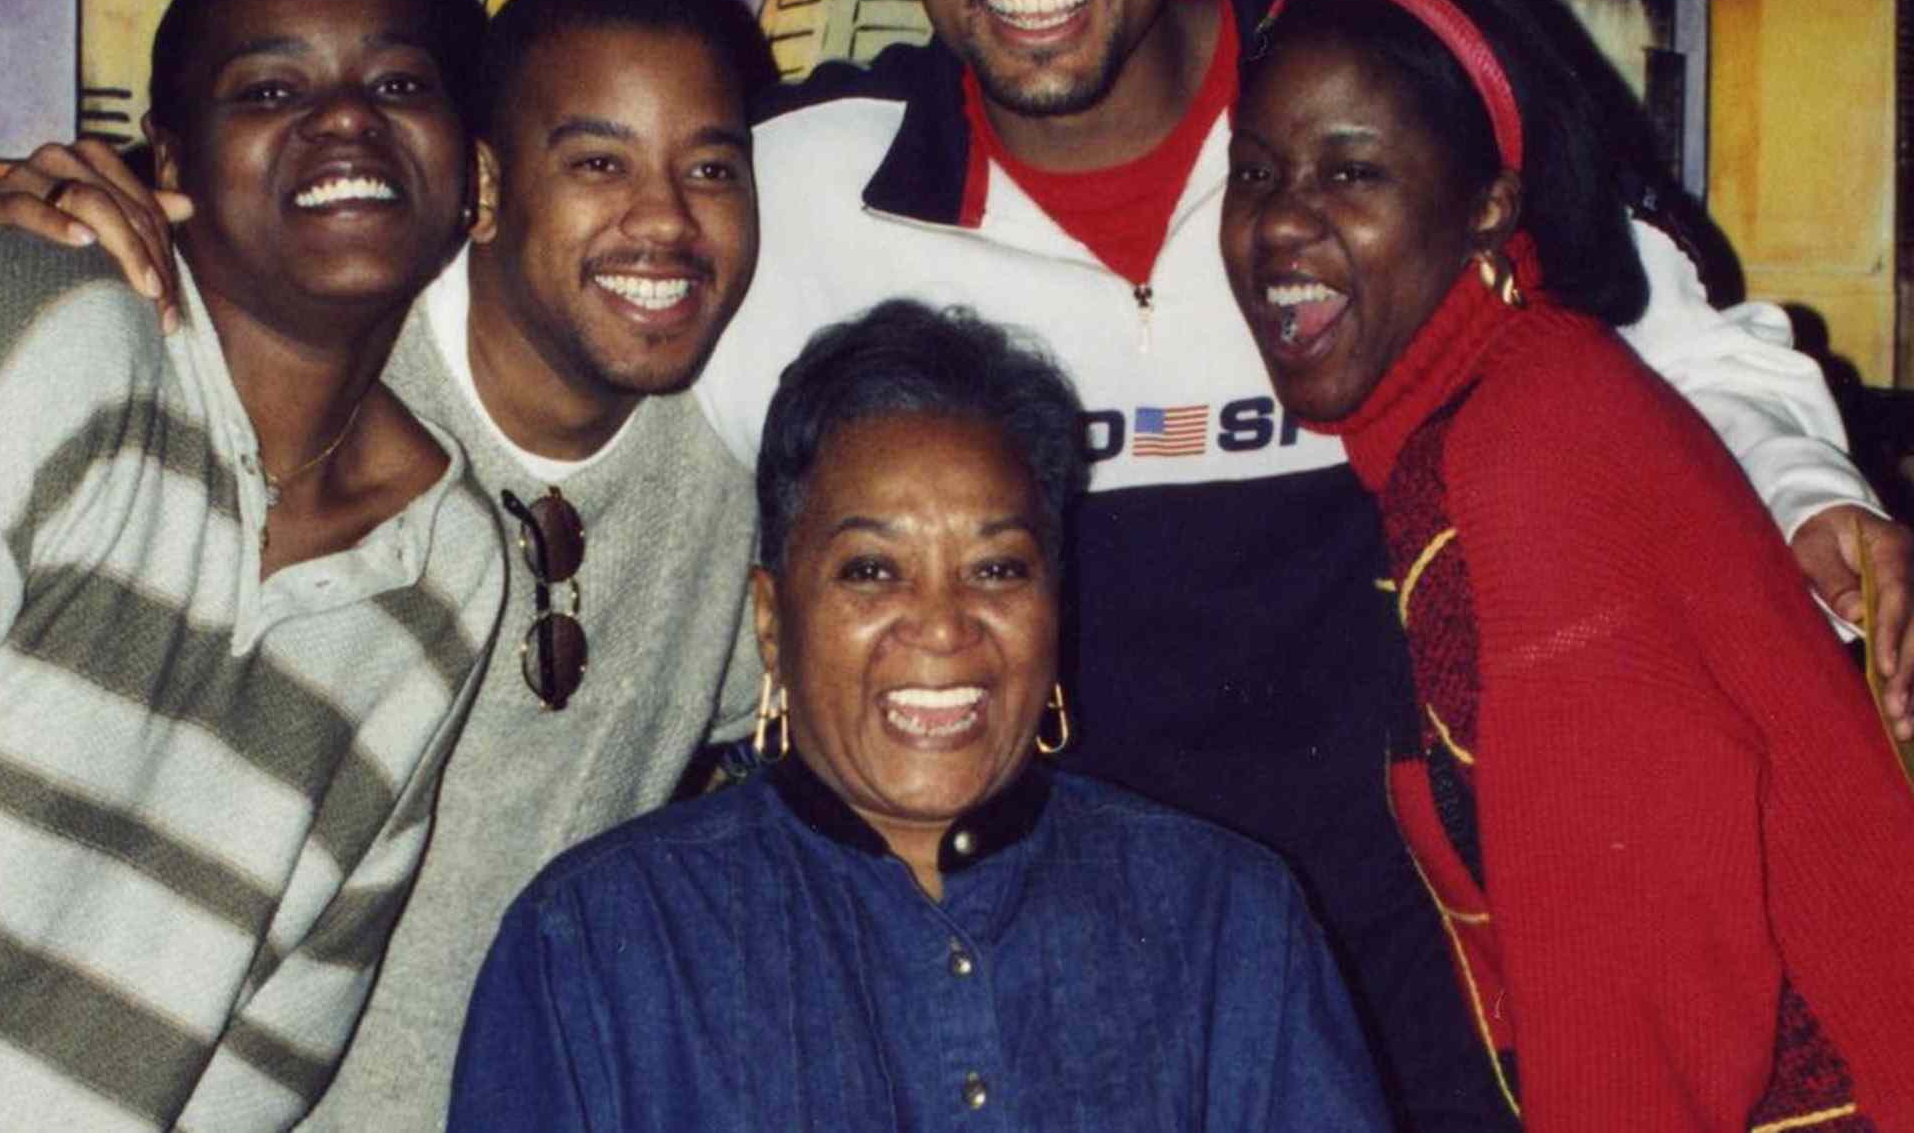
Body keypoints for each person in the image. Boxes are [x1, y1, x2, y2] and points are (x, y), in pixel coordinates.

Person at [687, 0, 1914, 1129]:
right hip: (1071, 1007)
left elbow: (1660, 322)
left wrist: (1814, 496)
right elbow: (547, 323)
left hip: (1440, 983)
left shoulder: (1356, 129)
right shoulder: (799, 198)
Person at [0, 0, 774, 1129]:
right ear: (488, 186)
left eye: (711, 168)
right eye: (595, 161)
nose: (662, 216)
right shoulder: (105, 336)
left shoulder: (479, 548)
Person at [1220, 0, 1914, 1127]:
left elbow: (1637, 989)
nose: (1284, 223)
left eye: (1351, 174)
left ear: (1490, 203)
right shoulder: (1496, 405)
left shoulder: (1525, 453)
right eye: (1256, 173)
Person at [449, 299, 1392, 1131]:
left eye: (997, 569)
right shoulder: (596, 947)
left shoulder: (1227, 922)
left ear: (1056, 609)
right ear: (773, 623)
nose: (943, 625)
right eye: (871, 570)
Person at [0, 0, 506, 1130]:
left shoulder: (446, 570)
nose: (344, 118)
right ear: (168, 167)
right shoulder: (47, 331)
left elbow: (270, 1052)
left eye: (399, 80)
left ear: (473, 181)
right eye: (268, 87)